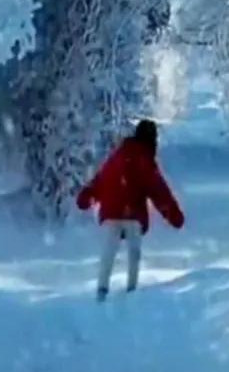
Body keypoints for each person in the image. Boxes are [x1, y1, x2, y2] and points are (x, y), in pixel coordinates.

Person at [76, 118, 184, 299]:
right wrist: (174, 215)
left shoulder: (118, 155)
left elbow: (102, 178)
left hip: (111, 211)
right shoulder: (145, 160)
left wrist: (86, 196)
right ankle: (131, 289)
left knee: (109, 249)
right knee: (134, 252)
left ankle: (102, 288)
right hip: (132, 213)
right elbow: (159, 191)